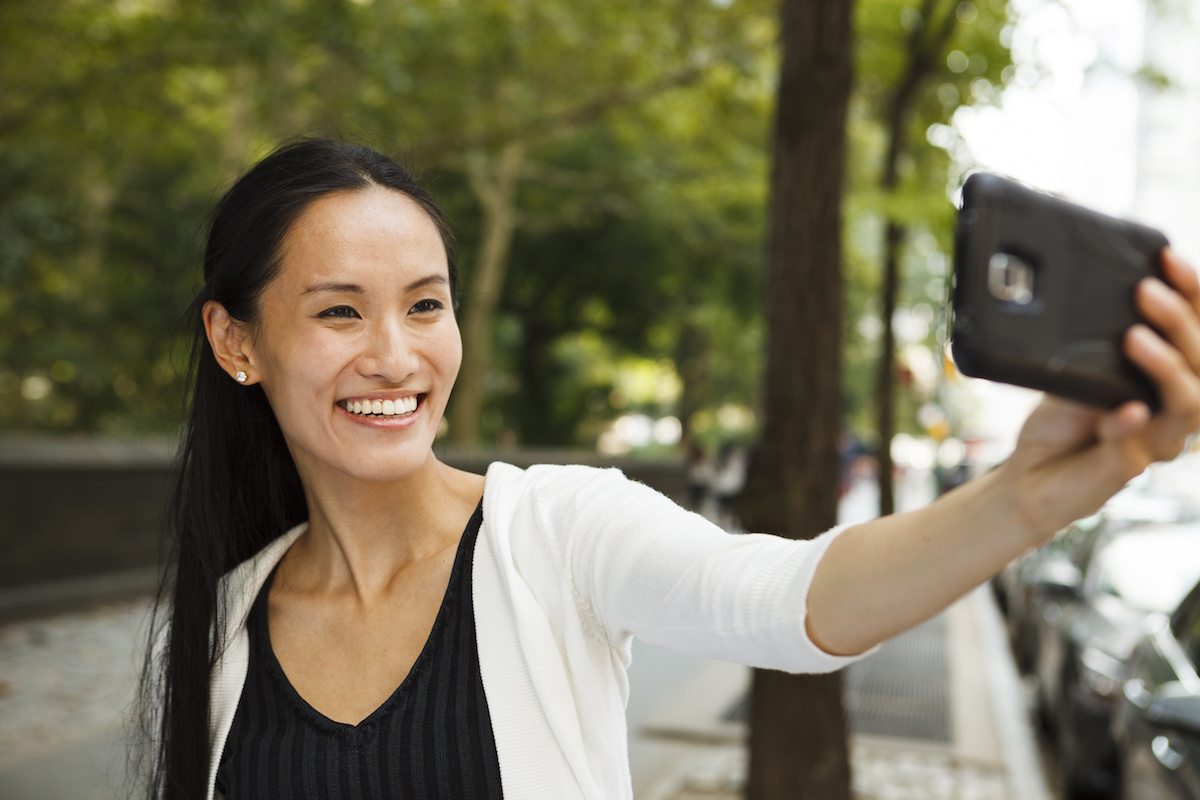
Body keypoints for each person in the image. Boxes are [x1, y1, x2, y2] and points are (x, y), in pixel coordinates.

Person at [138, 138, 1200, 800]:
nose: (397, 354)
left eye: (425, 302)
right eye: (338, 310)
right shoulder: (229, 614)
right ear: (237, 342)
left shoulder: (553, 532)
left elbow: (789, 598)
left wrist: (1029, 490)